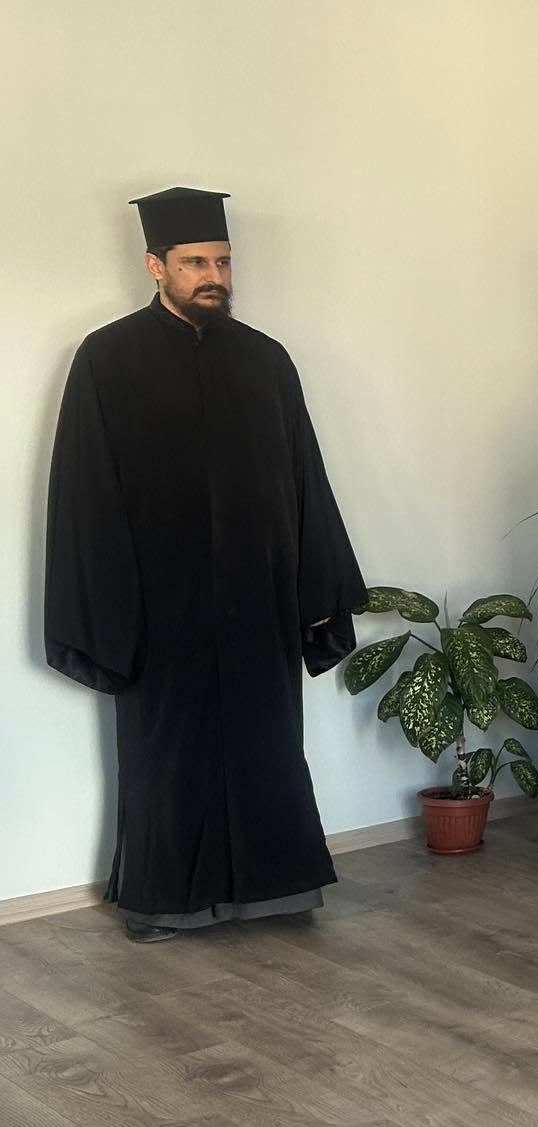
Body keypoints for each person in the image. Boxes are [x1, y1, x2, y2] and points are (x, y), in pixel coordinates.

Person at [44, 188, 366, 943]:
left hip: (257, 595)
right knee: (165, 754)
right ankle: (162, 901)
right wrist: (107, 608)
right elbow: (86, 487)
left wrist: (315, 587)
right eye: (195, 263)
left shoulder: (265, 359)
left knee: (266, 745)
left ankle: (278, 888)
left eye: (222, 261)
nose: (213, 276)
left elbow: (303, 476)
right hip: (161, 603)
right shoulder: (107, 358)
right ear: (155, 265)